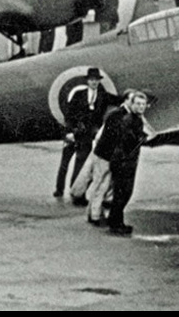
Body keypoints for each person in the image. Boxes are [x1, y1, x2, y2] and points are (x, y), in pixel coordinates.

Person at [54, 67, 118, 203]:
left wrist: (133, 96)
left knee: (80, 163)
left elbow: (118, 100)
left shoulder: (103, 96)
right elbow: (69, 114)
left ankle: (74, 191)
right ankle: (59, 189)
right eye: (92, 80)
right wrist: (69, 132)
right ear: (88, 81)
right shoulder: (79, 95)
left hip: (87, 135)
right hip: (74, 132)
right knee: (64, 163)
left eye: (96, 80)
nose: (94, 82)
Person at [93, 89, 152, 236]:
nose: (140, 107)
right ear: (131, 104)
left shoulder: (135, 119)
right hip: (123, 163)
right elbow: (128, 141)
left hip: (125, 162)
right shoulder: (129, 120)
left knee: (124, 194)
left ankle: (117, 222)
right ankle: (115, 224)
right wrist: (142, 137)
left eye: (143, 104)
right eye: (137, 104)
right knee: (122, 194)